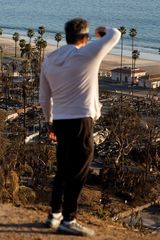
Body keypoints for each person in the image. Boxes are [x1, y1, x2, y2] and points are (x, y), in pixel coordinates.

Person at [39, 17, 121, 236]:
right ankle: (69, 219)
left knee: (63, 169)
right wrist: (101, 32)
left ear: (66, 36)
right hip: (82, 121)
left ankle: (54, 214)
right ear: (84, 37)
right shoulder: (89, 53)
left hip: (60, 122)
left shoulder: (49, 60)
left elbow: (44, 99)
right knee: (80, 170)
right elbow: (115, 34)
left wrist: (50, 122)